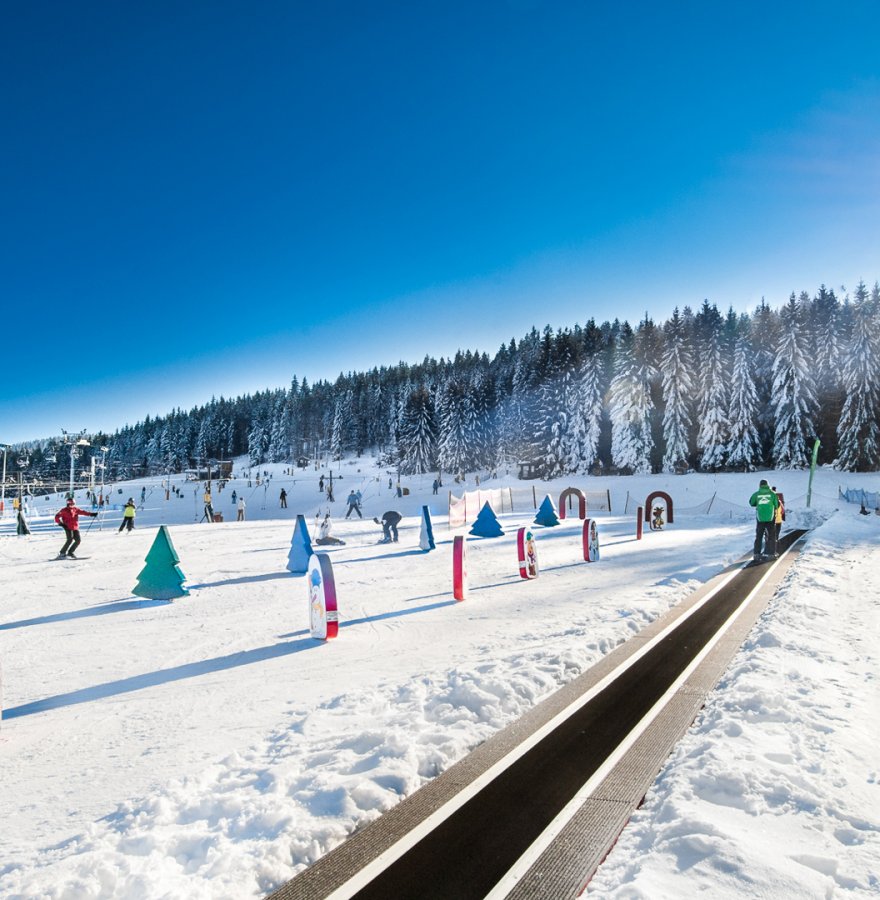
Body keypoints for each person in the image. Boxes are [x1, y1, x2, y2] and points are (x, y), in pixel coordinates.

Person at [749, 479, 780, 560]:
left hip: (760, 518)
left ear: (760, 485)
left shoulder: (756, 494)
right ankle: (771, 554)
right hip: (770, 517)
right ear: (768, 485)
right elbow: (777, 505)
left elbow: (751, 503)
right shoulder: (772, 494)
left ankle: (756, 554)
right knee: (771, 536)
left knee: (759, 536)